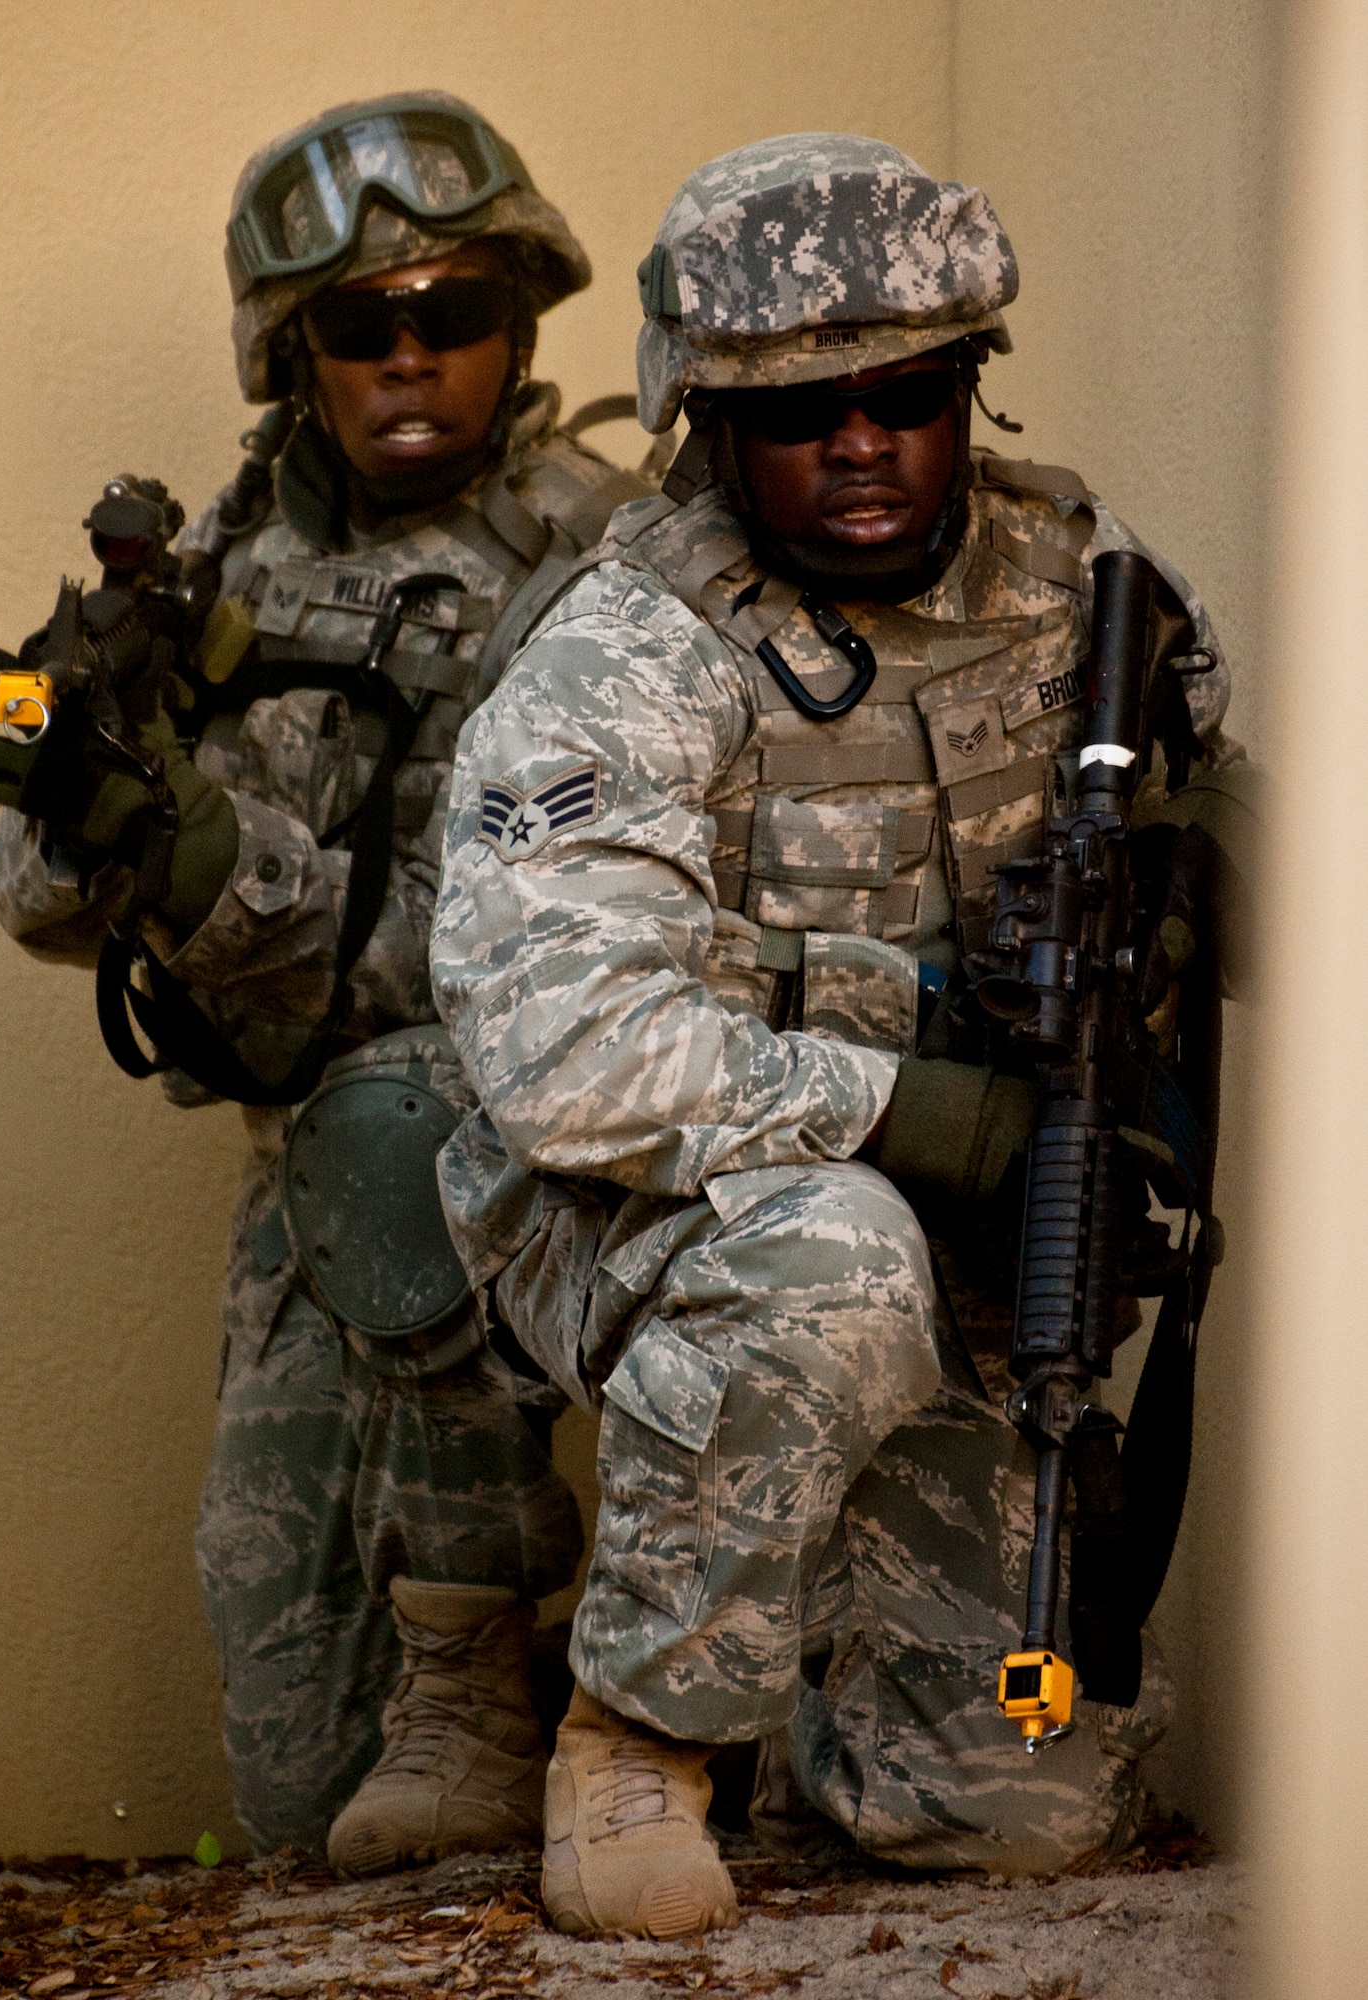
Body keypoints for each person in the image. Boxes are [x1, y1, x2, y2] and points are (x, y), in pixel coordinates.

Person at [429, 133, 1257, 1938]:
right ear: (709, 429)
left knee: (1013, 1810)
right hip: (643, 1214)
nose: (862, 442)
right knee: (830, 1257)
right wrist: (922, 1111)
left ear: (967, 391)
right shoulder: (630, 654)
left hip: (982, 1250)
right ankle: (634, 1729)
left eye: (908, 394)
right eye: (805, 412)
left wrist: (1228, 883)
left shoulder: (1084, 592)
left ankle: (806, 1651)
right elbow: (569, 1056)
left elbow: (1238, 850)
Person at [0, 91, 653, 1867]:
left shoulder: (619, 563)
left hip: (568, 1145)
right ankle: (513, 1701)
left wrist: (225, 876)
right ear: (297, 355)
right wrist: (99, 814)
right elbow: (33, 902)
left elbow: (582, 919)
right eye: (361, 326)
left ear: (520, 325)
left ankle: (589, 1710)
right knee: (302, 1788)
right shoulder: (211, 575)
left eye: (455, 313)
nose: (412, 356)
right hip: (311, 1181)